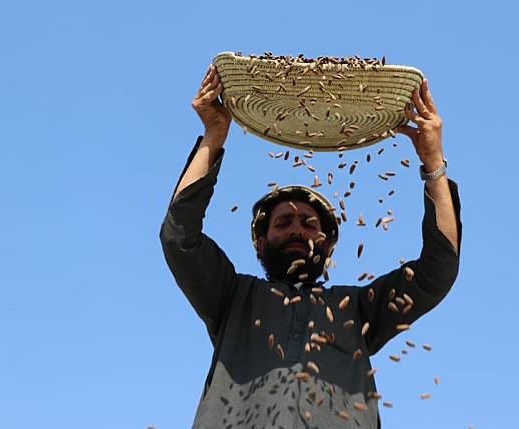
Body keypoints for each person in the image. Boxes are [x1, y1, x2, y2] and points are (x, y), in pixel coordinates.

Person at [159, 63, 462, 428]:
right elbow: (179, 238)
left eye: (309, 223)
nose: (297, 231)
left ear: (329, 243)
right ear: (260, 239)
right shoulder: (233, 299)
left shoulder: (357, 311)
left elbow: (437, 271)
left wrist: (432, 161)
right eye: (283, 222)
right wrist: (214, 133)